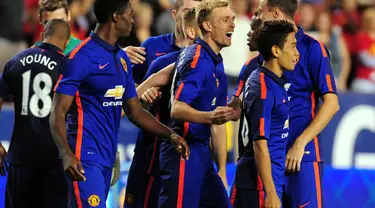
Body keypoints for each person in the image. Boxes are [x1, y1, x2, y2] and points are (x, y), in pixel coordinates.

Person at [49, 0, 190, 207]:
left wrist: (169, 134)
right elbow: (57, 112)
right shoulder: (80, 57)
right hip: (83, 156)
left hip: (107, 156)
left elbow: (134, 111)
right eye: (130, 15)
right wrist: (66, 154)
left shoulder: (121, 59)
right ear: (116, 17)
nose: (133, 20)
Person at [231, 0, 340, 207]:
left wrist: (300, 143)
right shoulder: (255, 64)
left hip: (302, 157)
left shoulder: (312, 48)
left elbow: (332, 103)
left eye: (260, 13)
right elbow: (236, 111)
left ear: (276, 13)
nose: (256, 18)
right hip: (266, 160)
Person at [159, 0, 236, 207]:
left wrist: (221, 170)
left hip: (202, 155)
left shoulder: (216, 63)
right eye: (225, 20)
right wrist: (209, 117)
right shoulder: (197, 60)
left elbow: (218, 124)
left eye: (233, 19)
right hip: (183, 150)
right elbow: (177, 109)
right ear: (208, 26)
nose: (233, 25)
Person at [124, 7, 201, 208]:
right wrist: (145, 98)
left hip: (185, 145)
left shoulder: (208, 60)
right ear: (174, 14)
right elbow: (131, 91)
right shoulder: (153, 48)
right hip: (151, 143)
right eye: (187, 10)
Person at [0, 19, 71, 208]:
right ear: (66, 41)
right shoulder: (68, 67)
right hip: (55, 159)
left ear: (42, 35)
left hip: (20, 159)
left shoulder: (16, 61)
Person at [231, 19, 299, 208]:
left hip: (270, 181)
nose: (297, 53)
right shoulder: (262, 87)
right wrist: (269, 192)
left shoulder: (274, 82)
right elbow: (259, 144)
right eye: (293, 46)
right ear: (276, 51)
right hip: (258, 186)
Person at [125, 0, 201, 83]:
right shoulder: (151, 45)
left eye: (198, 13)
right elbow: (135, 85)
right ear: (174, 14)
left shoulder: (206, 52)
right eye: (188, 12)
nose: (194, 18)